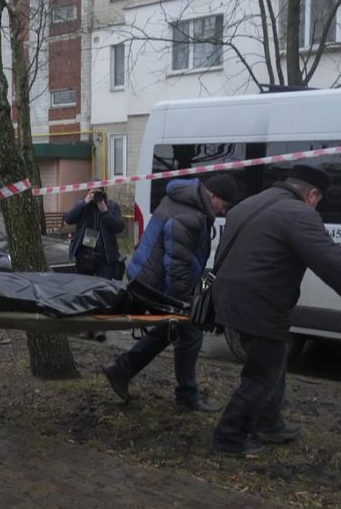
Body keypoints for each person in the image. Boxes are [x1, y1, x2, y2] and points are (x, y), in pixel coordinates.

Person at [209, 164, 341, 457]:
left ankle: (269, 424)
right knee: (261, 374)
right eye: (318, 200)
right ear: (312, 194)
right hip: (259, 304)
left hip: (231, 295)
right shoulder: (300, 214)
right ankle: (228, 437)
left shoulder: (250, 203)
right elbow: (334, 265)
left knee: (275, 359)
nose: (317, 206)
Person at [101, 174, 239, 412]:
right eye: (224, 205)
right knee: (191, 330)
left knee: (169, 329)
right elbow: (176, 264)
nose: (224, 212)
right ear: (213, 195)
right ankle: (186, 396)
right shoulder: (192, 215)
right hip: (151, 283)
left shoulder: (185, 201)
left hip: (146, 277)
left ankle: (122, 370)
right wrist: (183, 302)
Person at [64, 185, 126, 341]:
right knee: (85, 292)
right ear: (88, 191)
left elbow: (119, 227)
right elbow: (69, 218)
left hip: (106, 257)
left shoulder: (111, 206)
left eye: (98, 192)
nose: (96, 195)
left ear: (104, 192)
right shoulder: (83, 205)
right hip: (85, 256)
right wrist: (84, 202)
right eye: (93, 192)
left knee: (103, 293)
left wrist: (104, 210)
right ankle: (86, 327)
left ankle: (100, 328)